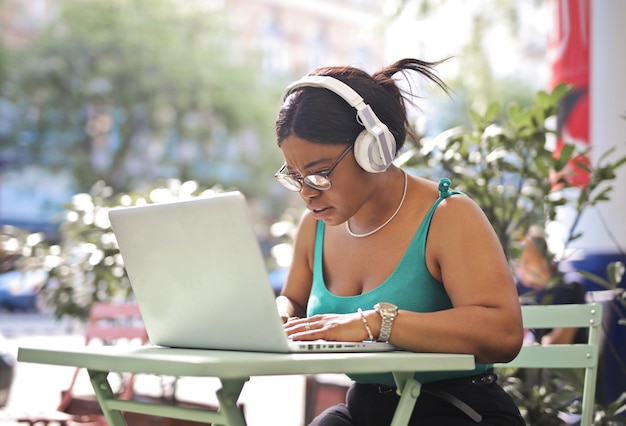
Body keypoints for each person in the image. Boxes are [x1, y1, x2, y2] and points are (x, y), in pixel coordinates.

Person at [273, 58, 525, 425]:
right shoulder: (316, 227)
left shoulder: (448, 215)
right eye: (294, 176)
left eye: (320, 173)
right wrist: (280, 317)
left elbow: (503, 334)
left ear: (373, 150)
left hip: (455, 408)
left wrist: (378, 322)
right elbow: (292, 300)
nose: (307, 194)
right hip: (365, 409)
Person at [515, 226, 587, 345]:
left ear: (543, 260)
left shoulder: (570, 286)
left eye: (527, 261)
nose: (521, 267)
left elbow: (561, 340)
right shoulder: (520, 287)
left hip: (563, 361)